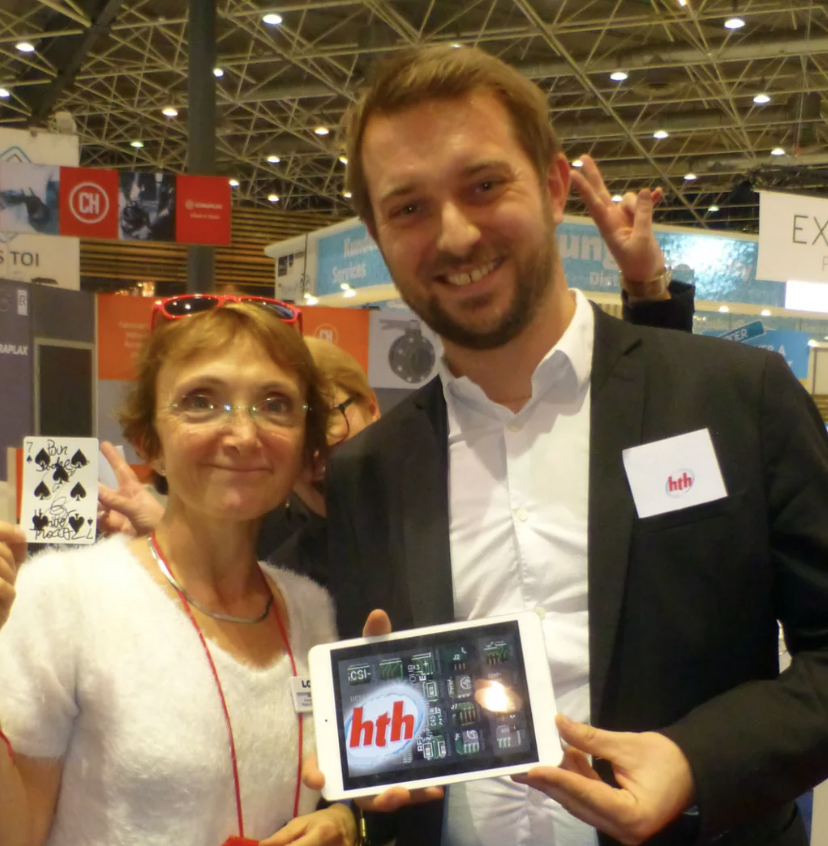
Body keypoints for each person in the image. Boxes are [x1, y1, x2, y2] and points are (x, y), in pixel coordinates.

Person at [322, 44, 828, 846]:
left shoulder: (738, 398)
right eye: (409, 208)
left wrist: (694, 759)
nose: (454, 235)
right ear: (380, 235)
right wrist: (358, 795)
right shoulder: (367, 473)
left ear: (556, 186)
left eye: (485, 185)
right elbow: (374, 727)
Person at [0, 300, 361, 846]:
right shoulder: (63, 598)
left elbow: (329, 790)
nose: (242, 434)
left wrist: (343, 821)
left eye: (274, 404)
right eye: (201, 402)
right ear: (150, 440)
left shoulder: (311, 609)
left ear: (305, 444)